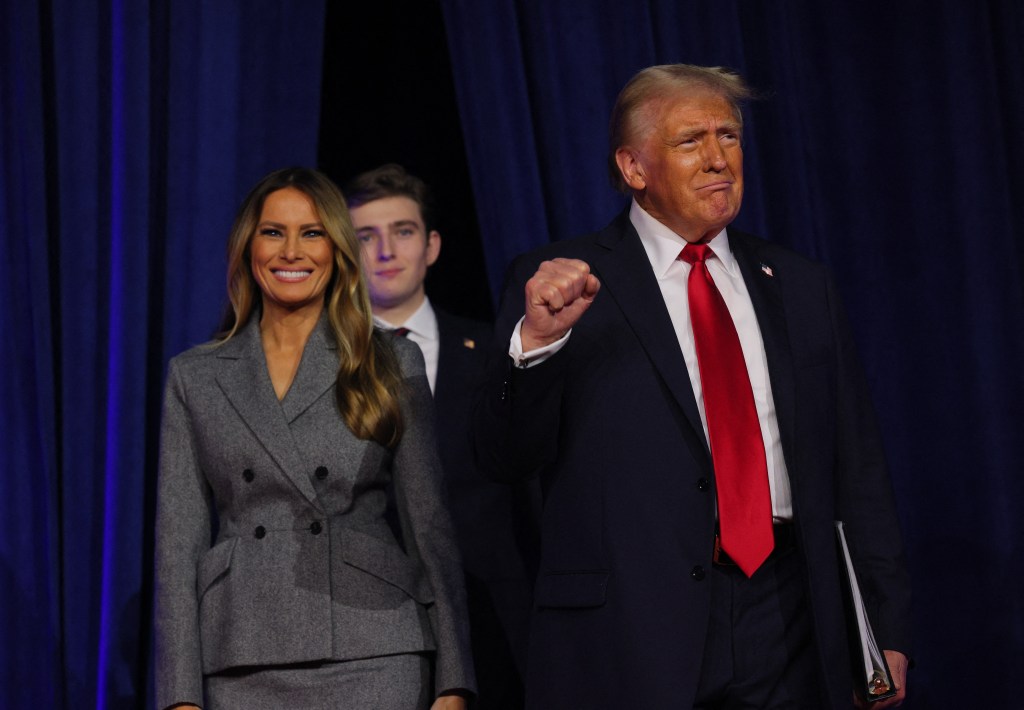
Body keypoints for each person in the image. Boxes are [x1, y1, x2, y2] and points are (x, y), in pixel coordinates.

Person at [472, 64, 912, 708]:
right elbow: (502, 457)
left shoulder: (798, 283)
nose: (717, 159)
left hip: (789, 615)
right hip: (633, 628)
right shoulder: (562, 284)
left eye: (728, 136)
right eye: (690, 142)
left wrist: (883, 627)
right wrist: (537, 344)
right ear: (633, 166)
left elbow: (859, 469)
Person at [153, 167, 475, 710]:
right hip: (241, 652)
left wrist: (453, 680)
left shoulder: (389, 360)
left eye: (313, 233)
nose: (291, 251)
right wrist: (178, 695)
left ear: (336, 248)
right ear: (248, 247)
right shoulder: (196, 376)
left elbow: (430, 525)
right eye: (273, 232)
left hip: (375, 647)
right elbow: (176, 546)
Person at [345, 164, 536, 709]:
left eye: (402, 232)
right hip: (371, 625)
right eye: (366, 236)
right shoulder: (324, 367)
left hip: (495, 624)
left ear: (431, 246)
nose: (386, 250)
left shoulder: (499, 352)